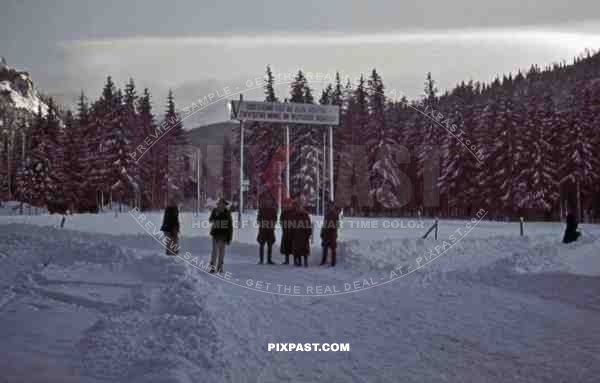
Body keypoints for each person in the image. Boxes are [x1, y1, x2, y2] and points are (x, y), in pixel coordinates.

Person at [209, 197, 233, 272]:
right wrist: (215, 215)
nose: (222, 205)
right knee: (215, 251)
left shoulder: (227, 212)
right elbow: (210, 220)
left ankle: (220, 267)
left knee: (222, 252)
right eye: (220, 204)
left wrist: (230, 237)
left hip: (224, 235)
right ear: (218, 204)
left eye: (223, 204)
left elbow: (230, 225)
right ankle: (212, 267)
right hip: (216, 234)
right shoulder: (215, 211)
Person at [257, 193, 277, 264]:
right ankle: (261, 260)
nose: (268, 201)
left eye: (270, 200)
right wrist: (262, 224)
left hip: (270, 230)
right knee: (261, 245)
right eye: (267, 200)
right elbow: (258, 219)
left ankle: (269, 259)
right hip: (263, 230)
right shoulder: (262, 209)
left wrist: (272, 225)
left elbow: (275, 219)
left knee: (270, 245)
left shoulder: (273, 210)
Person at [292, 196, 312, 267]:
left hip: (304, 234)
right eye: (298, 206)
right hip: (296, 234)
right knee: (297, 248)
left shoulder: (305, 215)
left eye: (300, 206)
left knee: (305, 249)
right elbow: (292, 225)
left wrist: (309, 233)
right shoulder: (294, 215)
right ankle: (299, 261)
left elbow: (308, 225)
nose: (299, 208)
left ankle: (305, 262)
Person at [320, 201, 339, 267]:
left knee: (333, 249)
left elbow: (337, 225)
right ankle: (323, 261)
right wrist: (322, 232)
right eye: (329, 205)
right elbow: (324, 224)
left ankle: (333, 262)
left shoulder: (335, 214)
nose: (329, 207)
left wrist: (333, 231)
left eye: (331, 206)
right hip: (325, 234)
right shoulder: (326, 213)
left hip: (332, 234)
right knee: (324, 248)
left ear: (333, 206)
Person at [279, 197, 295, 265]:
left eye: (289, 204)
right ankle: (287, 260)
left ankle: (295, 260)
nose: (288, 205)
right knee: (286, 247)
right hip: (286, 231)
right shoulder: (284, 212)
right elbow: (281, 221)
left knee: (294, 246)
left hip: (293, 232)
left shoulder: (294, 212)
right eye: (287, 204)